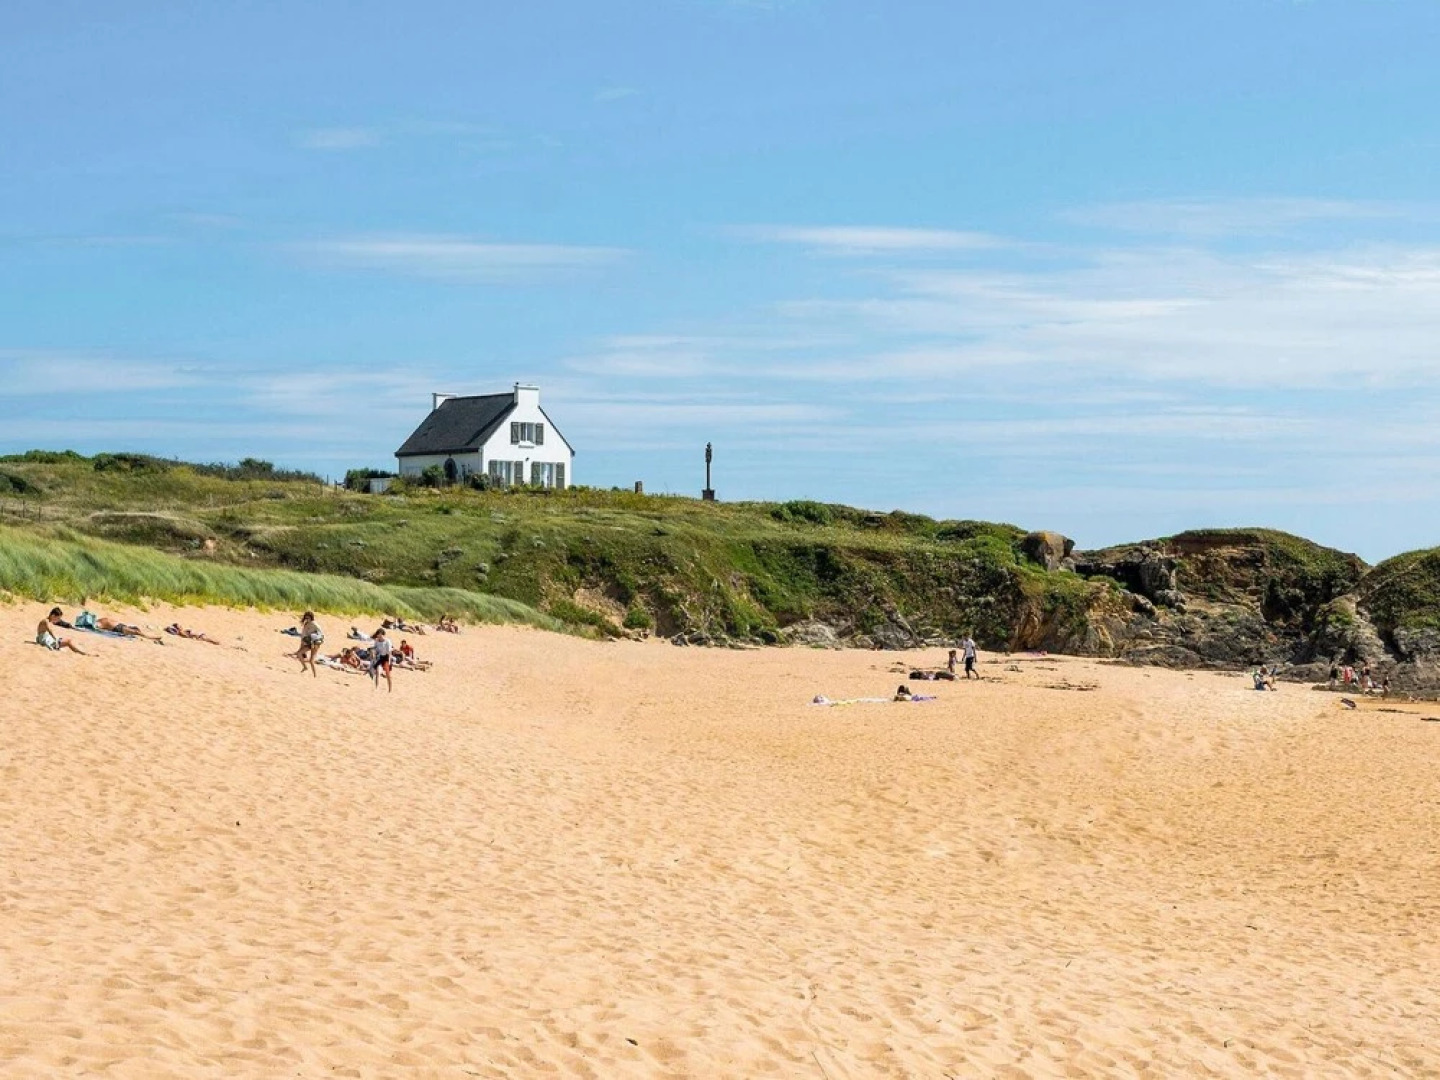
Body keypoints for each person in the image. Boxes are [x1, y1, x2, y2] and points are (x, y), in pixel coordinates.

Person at [95, 616, 164, 643]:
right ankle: (151, 638)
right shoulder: (101, 623)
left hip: (121, 626)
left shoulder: (102, 620)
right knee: (136, 632)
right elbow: (96, 626)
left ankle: (150, 637)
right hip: (118, 628)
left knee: (137, 630)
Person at [297, 611, 324, 677]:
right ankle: (305, 667)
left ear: (311, 618)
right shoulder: (306, 625)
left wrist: (317, 640)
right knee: (299, 653)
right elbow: (303, 636)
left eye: (308, 618)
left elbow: (320, 634)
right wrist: (301, 646)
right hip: (309, 642)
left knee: (311, 660)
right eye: (306, 618)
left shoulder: (314, 624)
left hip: (315, 643)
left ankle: (315, 675)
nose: (307, 619)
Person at [370, 628, 394, 692]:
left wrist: (389, 662)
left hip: (386, 658)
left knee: (388, 675)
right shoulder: (376, 641)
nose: (379, 636)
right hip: (380, 657)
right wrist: (373, 652)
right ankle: (377, 688)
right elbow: (375, 649)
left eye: (380, 634)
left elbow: (389, 652)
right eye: (378, 634)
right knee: (378, 671)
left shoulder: (387, 641)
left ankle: (390, 689)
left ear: (383, 635)